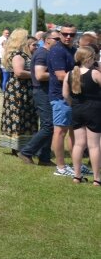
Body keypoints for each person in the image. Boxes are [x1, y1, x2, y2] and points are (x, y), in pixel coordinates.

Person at [18, 29, 60, 166]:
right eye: (56, 39)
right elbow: (40, 75)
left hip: (47, 92)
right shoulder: (42, 53)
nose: (59, 41)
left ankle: (44, 157)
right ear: (47, 40)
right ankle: (27, 151)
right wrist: (60, 74)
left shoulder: (48, 52)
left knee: (49, 125)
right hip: (42, 92)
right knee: (48, 125)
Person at [64, 46, 101, 185]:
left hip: (77, 109)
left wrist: (73, 104)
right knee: (94, 145)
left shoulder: (69, 74)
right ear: (89, 58)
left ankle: (77, 176)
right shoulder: (95, 73)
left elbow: (65, 95)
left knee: (79, 144)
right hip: (94, 110)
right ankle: (97, 178)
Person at [0, 29, 37, 154]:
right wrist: (36, 74)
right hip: (19, 89)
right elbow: (19, 72)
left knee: (23, 116)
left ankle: (23, 145)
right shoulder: (18, 55)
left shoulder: (19, 53)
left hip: (21, 89)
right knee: (19, 117)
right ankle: (17, 146)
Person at [49, 24, 78, 177]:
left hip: (73, 96)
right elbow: (61, 76)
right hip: (60, 97)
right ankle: (60, 167)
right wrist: (85, 78)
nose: (68, 37)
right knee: (60, 132)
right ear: (60, 34)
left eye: (72, 35)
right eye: (65, 34)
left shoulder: (73, 50)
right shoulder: (57, 51)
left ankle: (76, 165)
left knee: (74, 132)